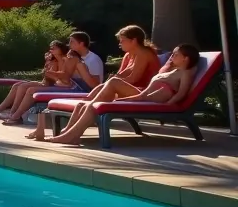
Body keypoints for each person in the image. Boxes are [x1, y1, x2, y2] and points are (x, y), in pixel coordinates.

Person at [31, 45, 199, 145]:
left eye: (176, 54)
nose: (171, 56)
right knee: (85, 103)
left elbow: (182, 92)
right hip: (144, 94)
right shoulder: (172, 70)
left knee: (108, 87)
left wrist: (171, 105)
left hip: (151, 99)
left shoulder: (185, 73)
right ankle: (68, 134)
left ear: (186, 59)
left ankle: (72, 134)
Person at [0, 32, 104, 124]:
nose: (69, 44)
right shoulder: (75, 58)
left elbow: (95, 85)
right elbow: (65, 75)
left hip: (79, 89)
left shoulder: (92, 60)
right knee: (22, 86)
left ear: (81, 44)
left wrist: (58, 73)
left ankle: (15, 116)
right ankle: (13, 114)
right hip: (70, 86)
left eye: (72, 42)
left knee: (31, 90)